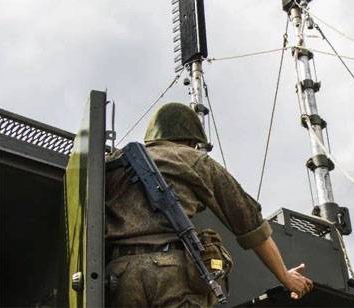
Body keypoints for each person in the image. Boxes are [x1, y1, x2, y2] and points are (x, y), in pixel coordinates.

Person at [105, 102, 313, 307]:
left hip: (120, 276)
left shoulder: (116, 161)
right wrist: (285, 276)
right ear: (191, 140)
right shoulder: (196, 160)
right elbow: (250, 223)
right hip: (171, 275)